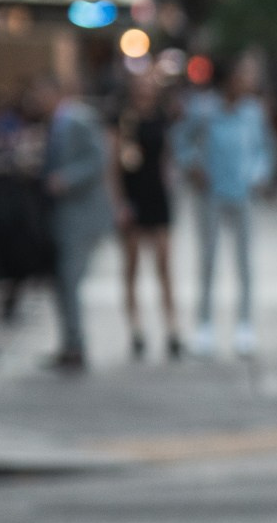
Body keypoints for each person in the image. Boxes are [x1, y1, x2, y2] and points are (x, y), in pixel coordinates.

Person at [178, 55, 274, 357]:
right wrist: (192, 166)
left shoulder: (254, 112)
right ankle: (204, 326)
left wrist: (258, 175)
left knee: (244, 263)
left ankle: (244, 326)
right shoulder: (203, 109)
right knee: (208, 261)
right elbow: (181, 141)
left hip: (242, 195)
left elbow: (263, 150)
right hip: (211, 195)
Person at [37, 69, 115, 373]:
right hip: (66, 213)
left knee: (70, 280)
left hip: (81, 214)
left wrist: (66, 179)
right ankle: (70, 343)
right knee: (64, 282)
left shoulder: (78, 118)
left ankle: (75, 346)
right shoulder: (58, 122)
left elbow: (99, 158)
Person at [115, 64, 182, 360]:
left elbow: (168, 156)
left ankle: (172, 327)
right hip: (133, 195)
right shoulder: (123, 120)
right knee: (131, 266)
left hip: (157, 194)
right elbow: (114, 164)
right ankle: (136, 328)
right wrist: (119, 202)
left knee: (164, 265)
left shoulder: (162, 118)